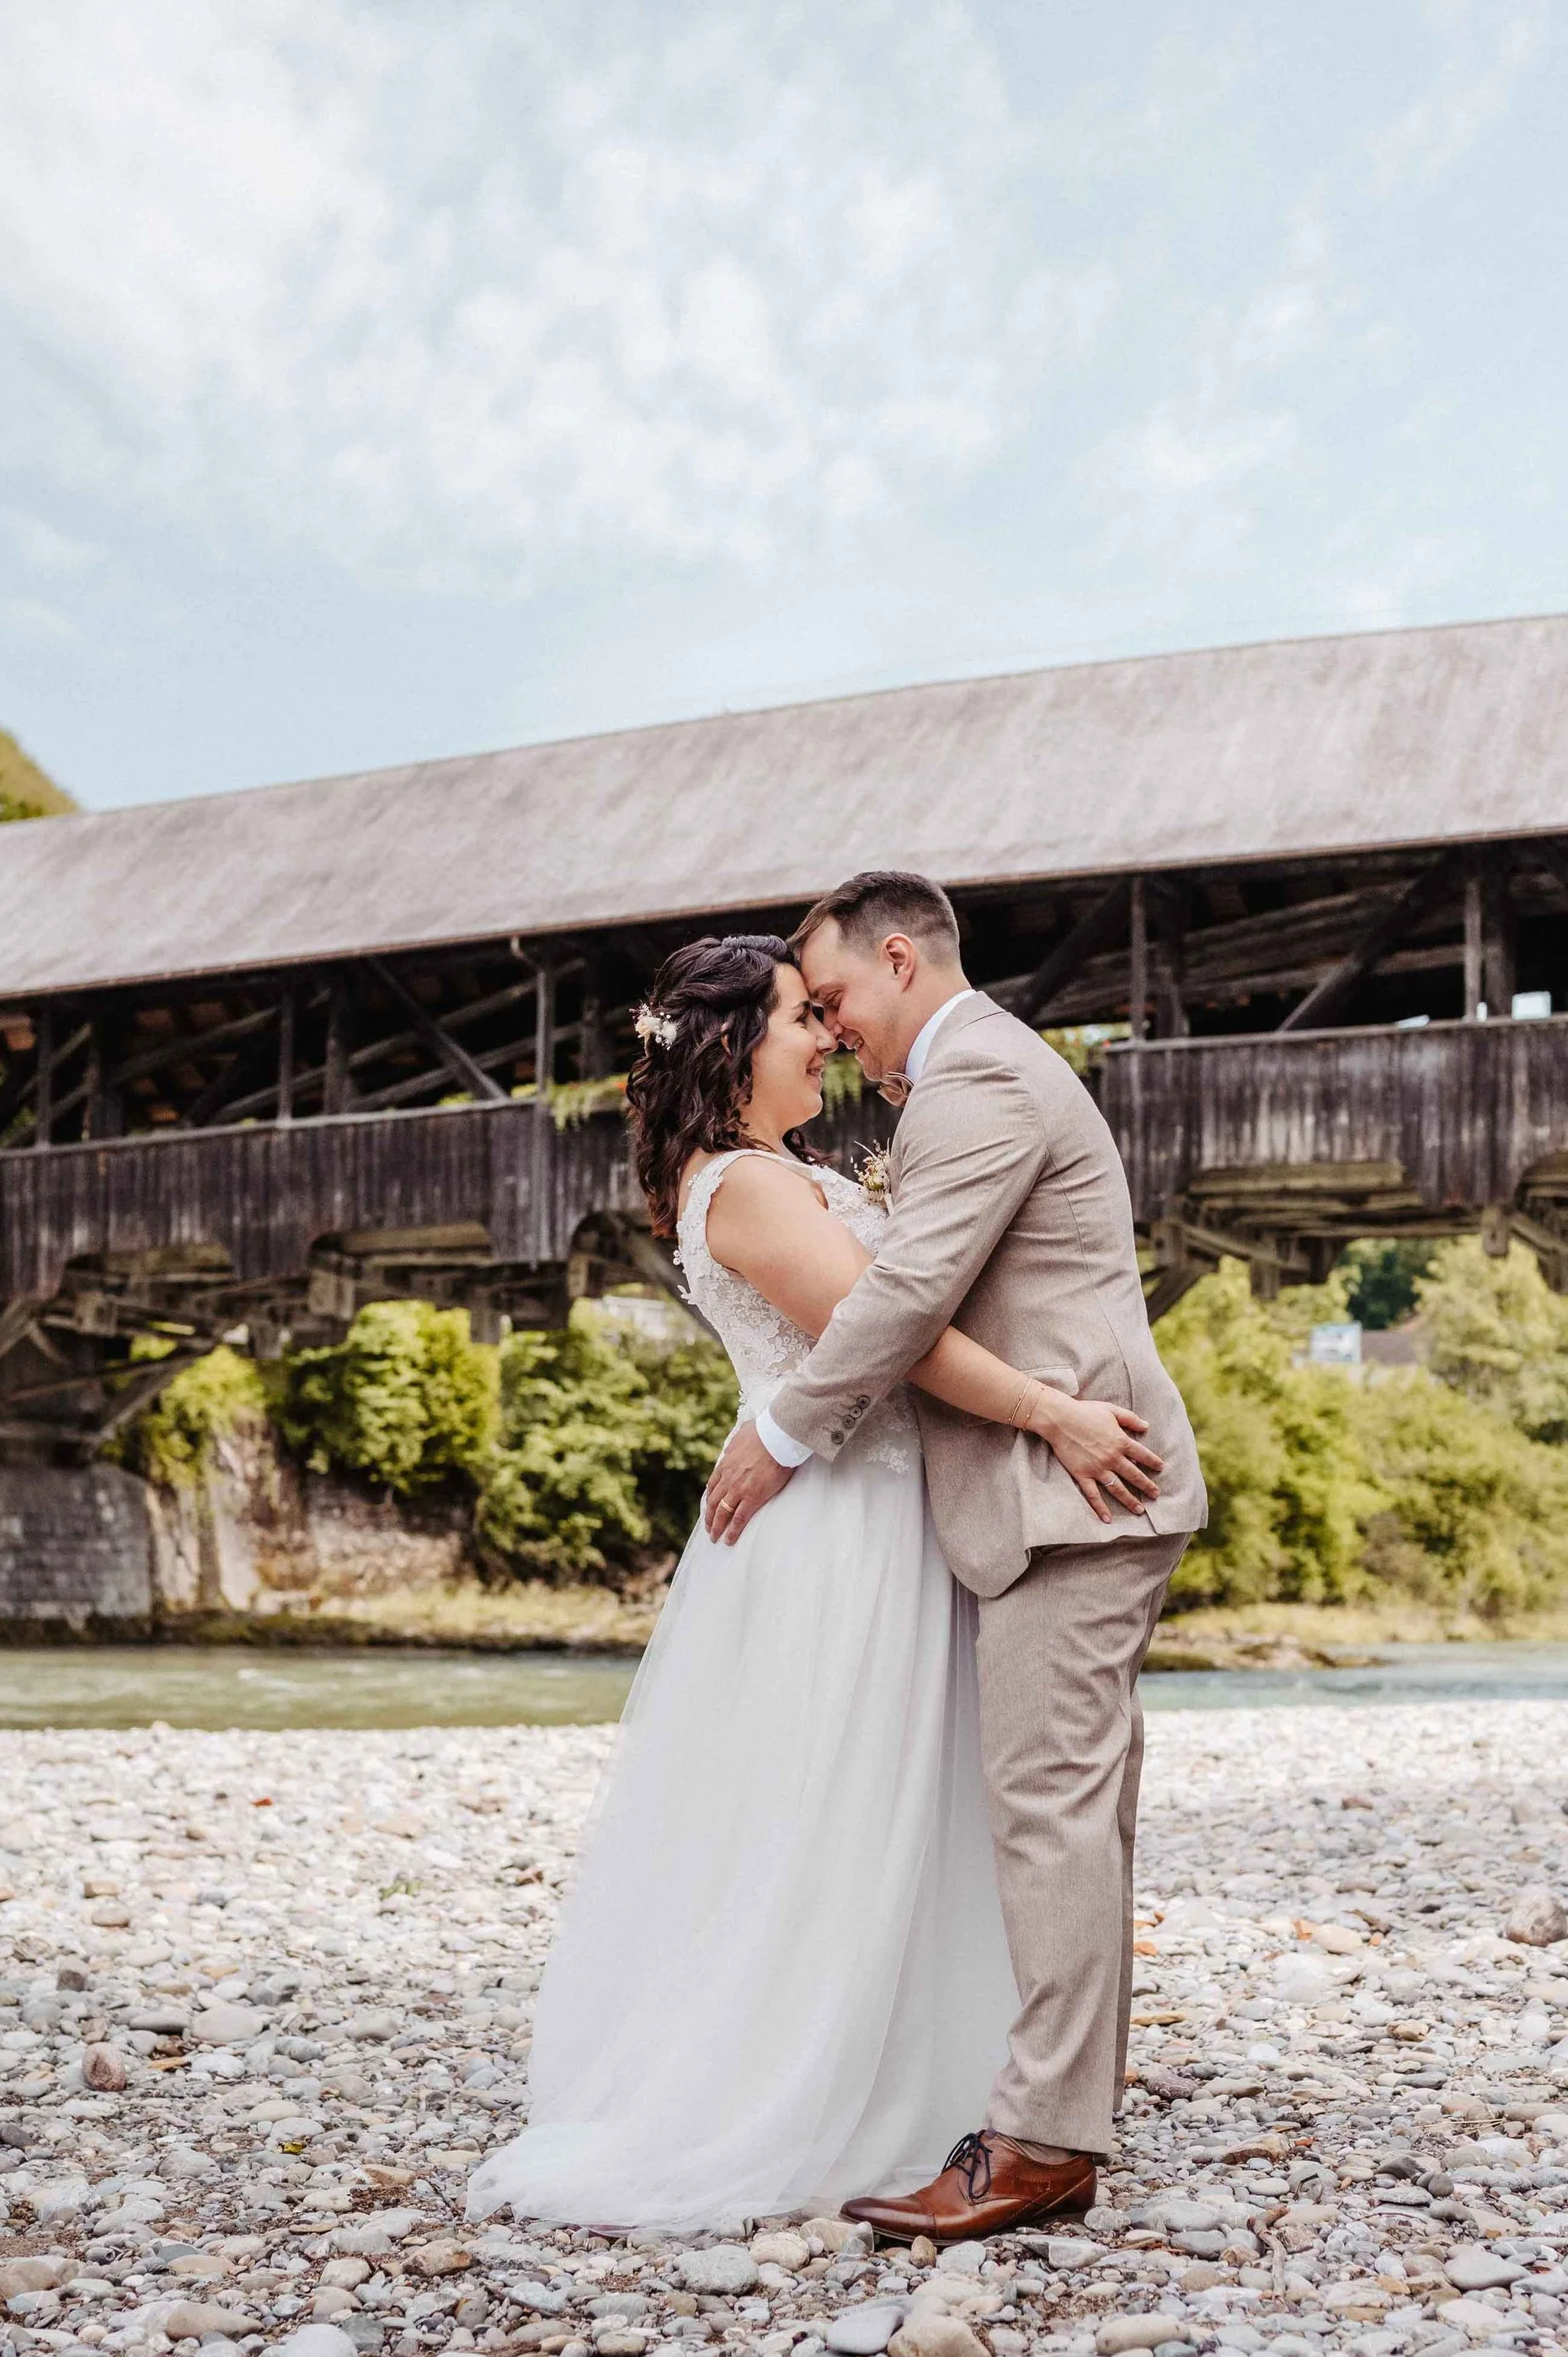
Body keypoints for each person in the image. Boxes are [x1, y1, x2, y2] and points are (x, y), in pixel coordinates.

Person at [465, 930, 1160, 2234]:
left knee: (908, 1802)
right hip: (838, 1529)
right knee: (837, 1807)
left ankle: (959, 2075)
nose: (828, 1039)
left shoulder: (775, 1171)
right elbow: (879, 1338)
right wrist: (1052, 1415)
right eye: (803, 1019)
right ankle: (814, 2086)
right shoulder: (744, 1185)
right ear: (731, 1045)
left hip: (883, 1514)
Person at [704, 870, 1207, 2242]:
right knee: (1072, 1818)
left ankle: (1043, 2143)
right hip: (1060, 1484)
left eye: (839, 996)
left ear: (903, 958)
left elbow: (908, 1292)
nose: (833, 1026)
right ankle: (1064, 2113)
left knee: (1049, 1813)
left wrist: (786, 1431)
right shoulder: (972, 1076)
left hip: (1069, 1485)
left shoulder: (978, 1078)